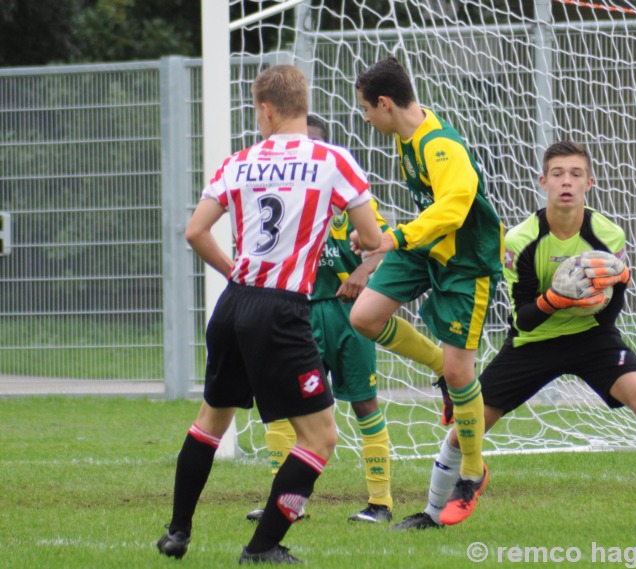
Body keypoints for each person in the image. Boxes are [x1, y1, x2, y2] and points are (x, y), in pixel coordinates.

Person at [391, 140, 636, 532]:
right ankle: (431, 515)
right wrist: (556, 298)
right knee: (467, 429)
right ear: (543, 182)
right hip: (532, 344)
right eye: (557, 174)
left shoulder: (608, 235)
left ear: (590, 182)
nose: (566, 182)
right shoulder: (520, 240)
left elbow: (610, 313)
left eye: (575, 174)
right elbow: (524, 318)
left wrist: (618, 283)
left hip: (591, 337)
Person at [156, 65, 383, 565]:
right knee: (320, 437)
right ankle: (262, 548)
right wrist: (369, 264)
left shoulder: (238, 162)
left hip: (234, 301)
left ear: (265, 109)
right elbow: (371, 240)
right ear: (303, 104)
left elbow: (195, 232)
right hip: (282, 310)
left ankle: (177, 532)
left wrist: (234, 268)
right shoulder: (331, 160)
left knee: (210, 422)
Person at [246, 115, 445, 525]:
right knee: (288, 407)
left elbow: (387, 245)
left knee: (363, 402)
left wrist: (363, 270)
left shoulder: (350, 200)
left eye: (314, 147)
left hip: (345, 315)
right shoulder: (281, 201)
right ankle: (286, 501)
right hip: (297, 313)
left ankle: (380, 503)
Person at [349, 56, 504, 527]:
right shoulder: (406, 137)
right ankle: (440, 368)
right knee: (364, 317)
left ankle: (473, 473)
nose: (366, 119)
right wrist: (378, 245)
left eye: (366, 110)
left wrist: (393, 238)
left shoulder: (441, 146)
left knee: (464, 373)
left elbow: (454, 210)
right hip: (423, 249)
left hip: (464, 262)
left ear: (385, 103)